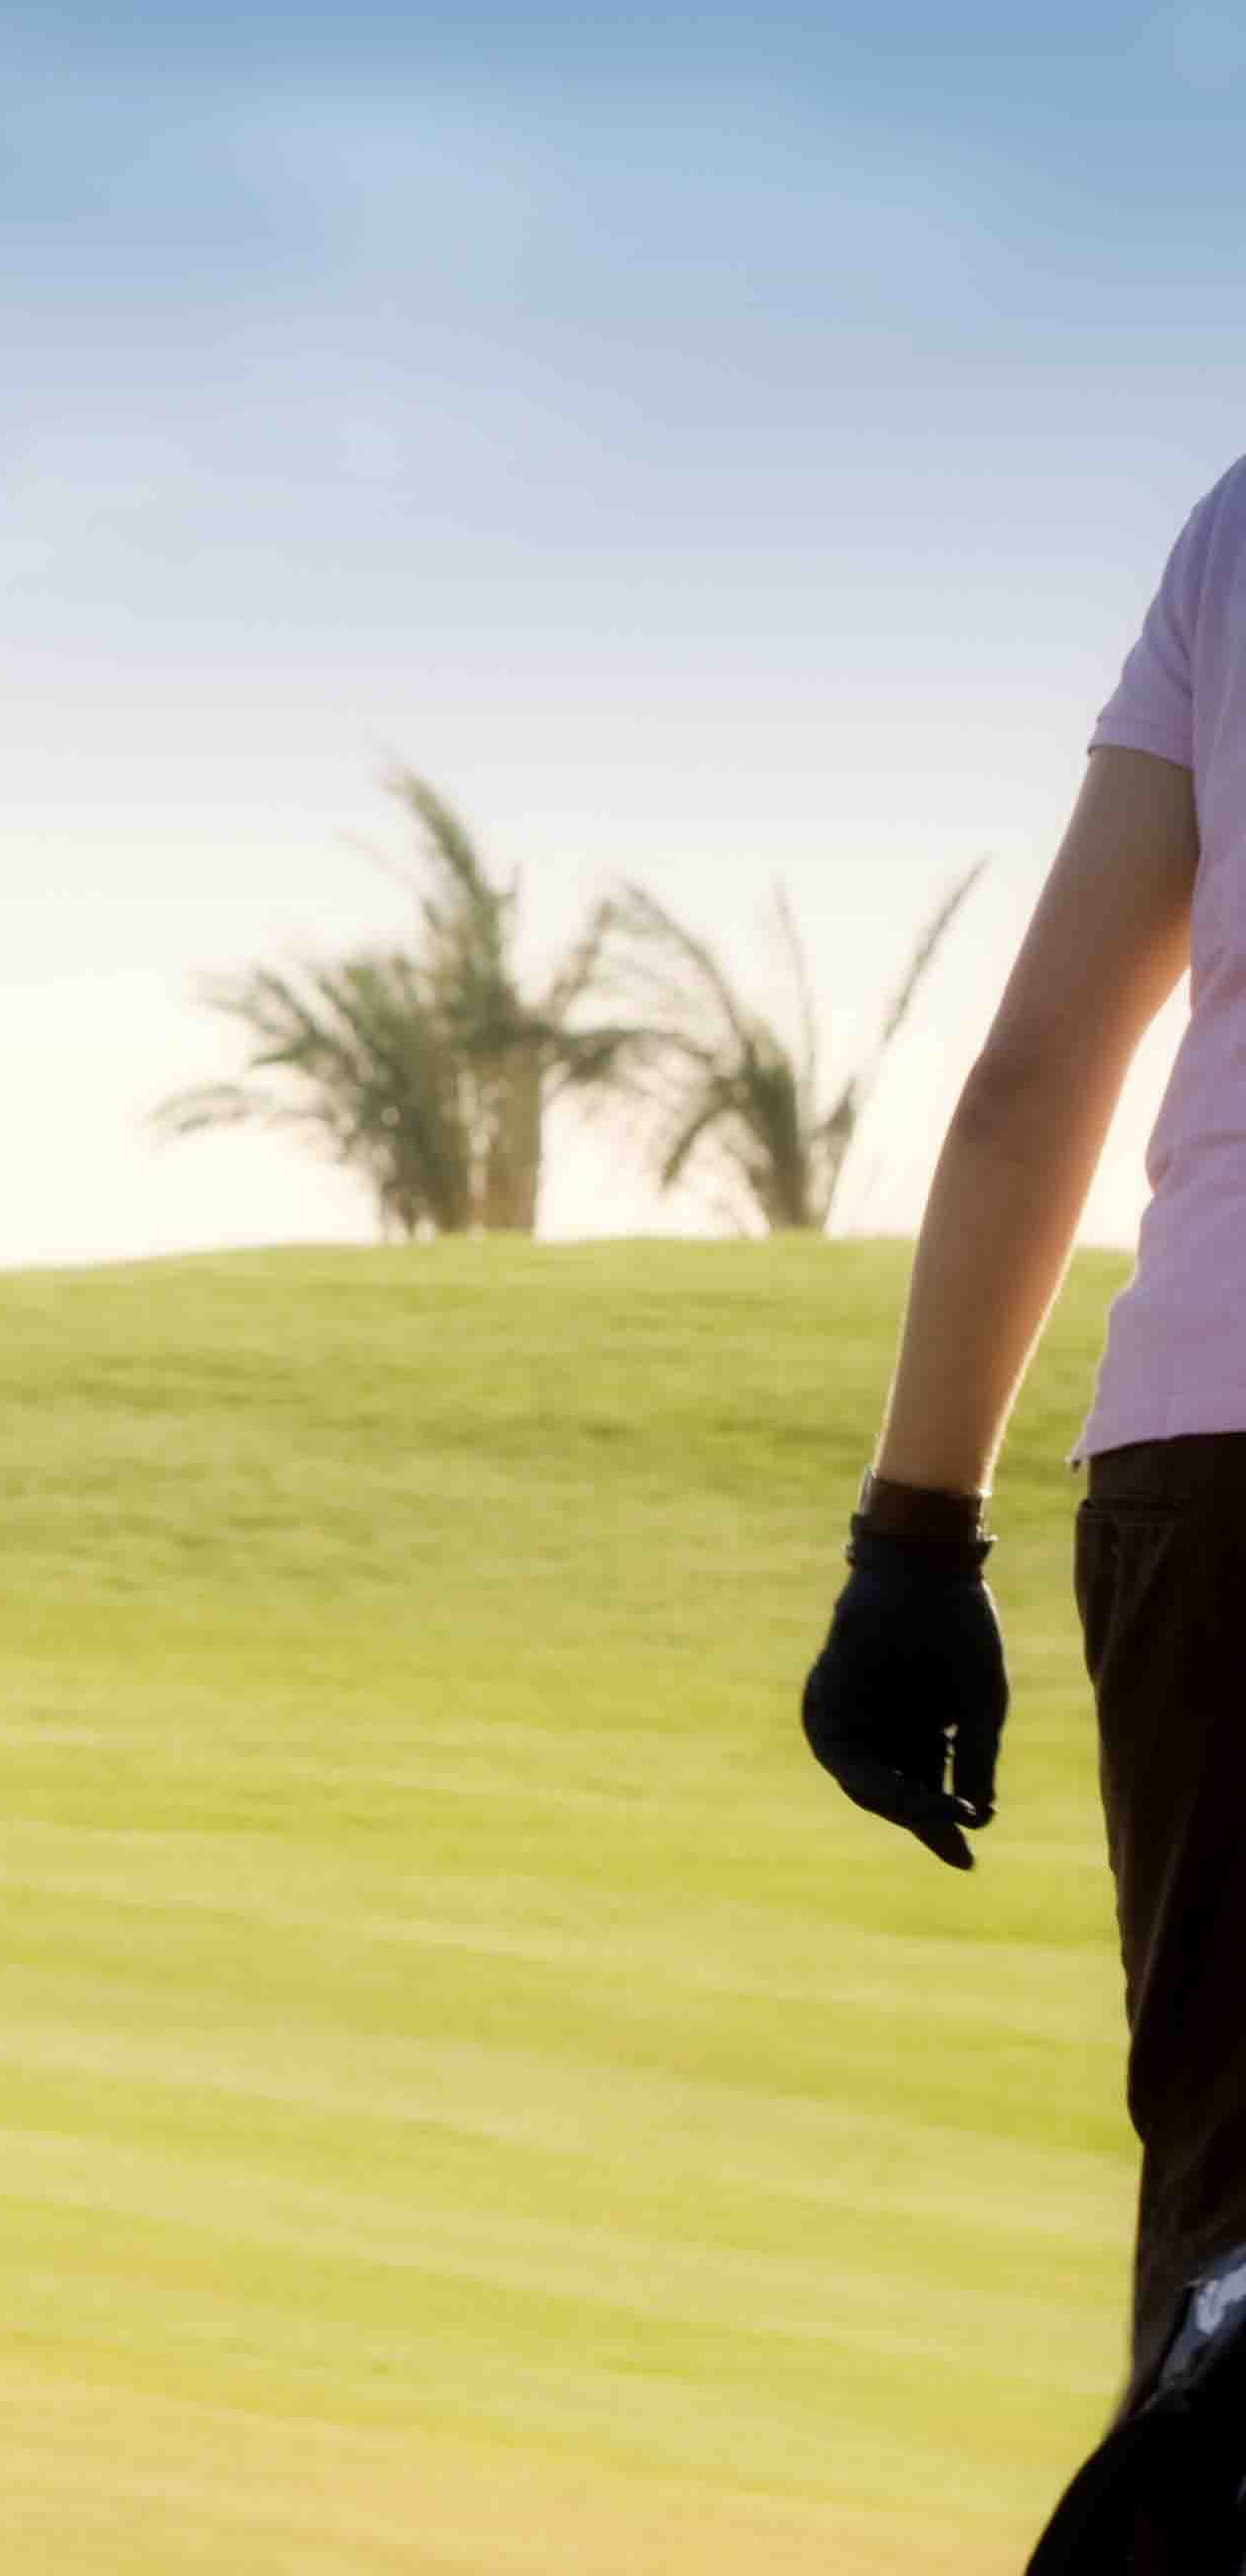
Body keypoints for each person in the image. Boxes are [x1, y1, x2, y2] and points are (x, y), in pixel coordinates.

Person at [797, 453, 1236, 2556]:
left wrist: (913, 1542)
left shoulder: (1239, 531)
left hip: (1213, 1484)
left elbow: (1035, 1068)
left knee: (1235, 2257)